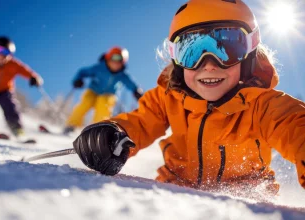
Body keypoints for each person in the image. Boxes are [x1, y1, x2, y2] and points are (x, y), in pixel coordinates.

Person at [72, 0, 305, 199]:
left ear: (250, 52)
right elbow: (141, 121)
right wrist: (114, 134)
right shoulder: (168, 98)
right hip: (175, 195)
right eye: (191, 51)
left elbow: (294, 124)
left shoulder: (262, 104)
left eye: (227, 46)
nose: (209, 63)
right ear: (176, 58)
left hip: (247, 198)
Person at [63, 46, 143, 134]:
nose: (115, 63)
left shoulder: (123, 75)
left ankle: (97, 131)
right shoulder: (99, 67)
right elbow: (82, 71)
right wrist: (78, 79)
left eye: (119, 61)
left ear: (123, 63)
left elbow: (131, 84)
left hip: (108, 94)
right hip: (93, 91)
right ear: (108, 58)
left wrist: (136, 91)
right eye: (113, 59)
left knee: (103, 108)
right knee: (84, 105)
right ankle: (71, 125)